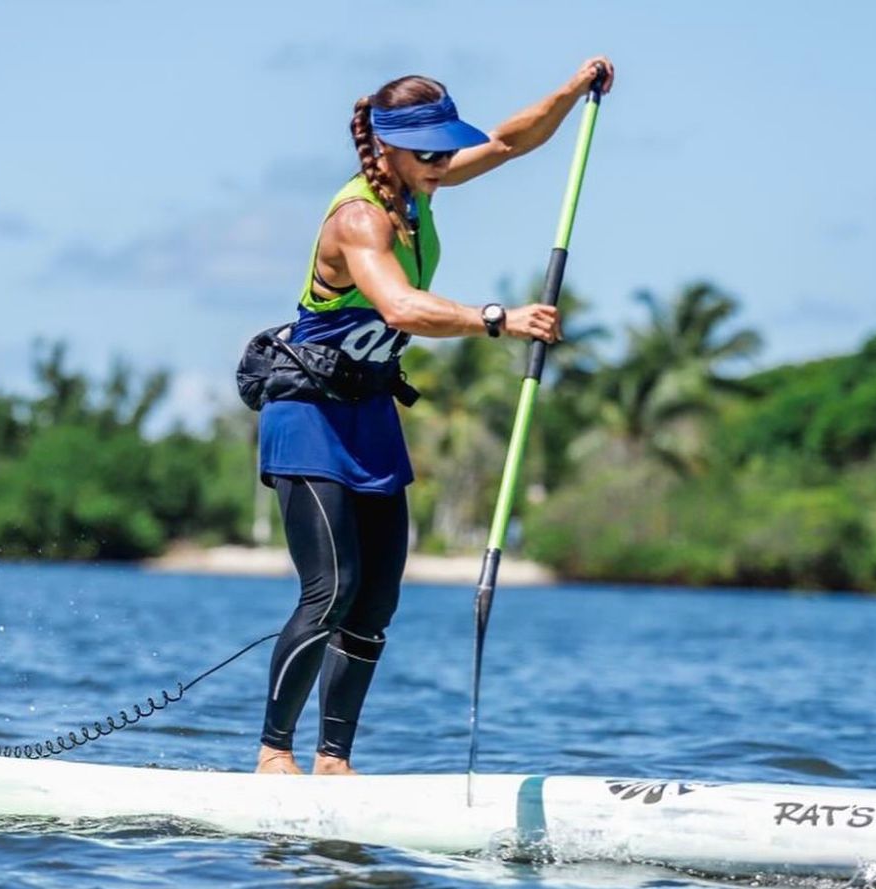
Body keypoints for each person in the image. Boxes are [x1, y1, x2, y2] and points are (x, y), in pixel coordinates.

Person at [254, 57, 615, 775]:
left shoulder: (422, 187)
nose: (443, 160)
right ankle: (273, 755)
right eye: (429, 150)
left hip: (371, 412)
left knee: (378, 595)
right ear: (384, 146)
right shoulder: (359, 218)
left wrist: (572, 94)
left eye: (448, 147)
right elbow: (399, 307)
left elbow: (511, 141)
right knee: (332, 588)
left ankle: (334, 761)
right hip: (308, 415)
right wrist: (500, 318)